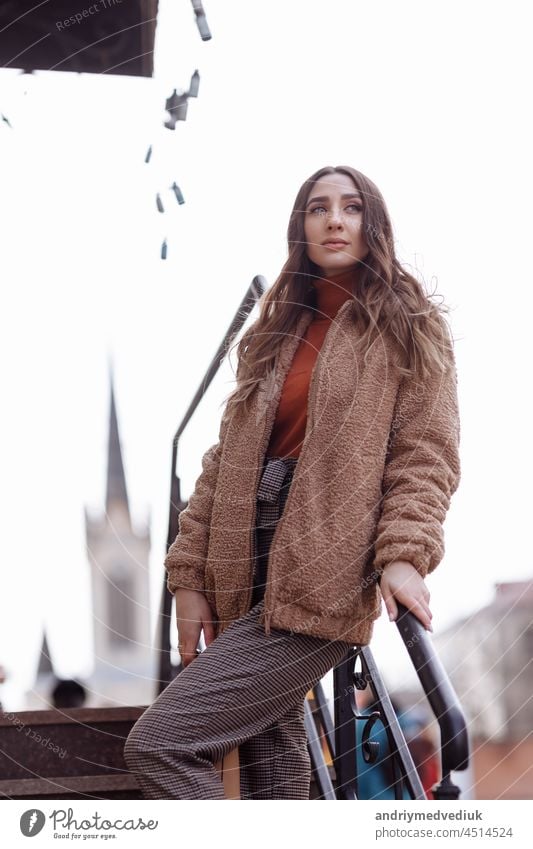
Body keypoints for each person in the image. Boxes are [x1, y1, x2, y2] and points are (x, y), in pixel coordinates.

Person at [124, 165, 461, 800]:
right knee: (273, 772)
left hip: (323, 568)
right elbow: (220, 466)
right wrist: (189, 580)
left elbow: (426, 453)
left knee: (162, 745)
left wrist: (403, 556)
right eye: (318, 208)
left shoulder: (407, 324)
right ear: (299, 227)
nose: (335, 219)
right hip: (243, 561)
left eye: (352, 207)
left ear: (373, 224)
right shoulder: (277, 334)